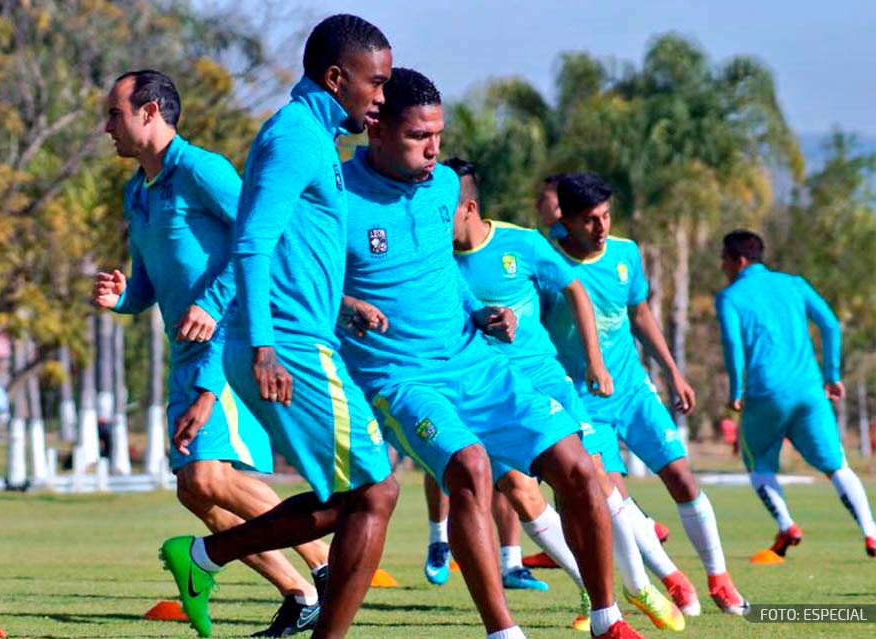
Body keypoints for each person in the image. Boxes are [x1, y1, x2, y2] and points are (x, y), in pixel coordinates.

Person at [338, 67, 644, 639]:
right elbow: (298, 279)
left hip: (475, 360)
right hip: (401, 376)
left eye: (438, 136)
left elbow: (442, 272)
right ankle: (504, 632)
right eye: (417, 137)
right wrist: (342, 307)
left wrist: (479, 309)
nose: (433, 151)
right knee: (472, 468)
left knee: (579, 467)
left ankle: (609, 622)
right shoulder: (335, 195)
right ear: (375, 127)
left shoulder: (444, 188)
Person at [157, 15, 398, 639]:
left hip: (302, 338)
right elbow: (253, 242)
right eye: (376, 82)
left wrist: (342, 306)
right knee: (377, 491)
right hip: (286, 345)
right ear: (337, 77)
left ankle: (204, 557)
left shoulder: (316, 139)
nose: (382, 96)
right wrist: (264, 346)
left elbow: (297, 247)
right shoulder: (296, 136)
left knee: (353, 497)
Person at [96, 68, 330, 637]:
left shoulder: (203, 170)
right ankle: (299, 593)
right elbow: (153, 284)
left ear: (150, 112)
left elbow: (260, 242)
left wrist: (216, 304)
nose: (107, 127)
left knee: (207, 474)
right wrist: (124, 296)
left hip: (227, 343)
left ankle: (329, 566)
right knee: (194, 489)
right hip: (185, 353)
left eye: (114, 114)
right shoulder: (137, 192)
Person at [439, 157, 690, 629]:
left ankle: (639, 587)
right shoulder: (436, 260)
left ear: (467, 207)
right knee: (517, 490)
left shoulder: (522, 243)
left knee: (590, 476)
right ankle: (593, 590)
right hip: (485, 392)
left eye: (441, 209)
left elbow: (575, 288)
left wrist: (595, 361)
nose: (432, 219)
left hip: (545, 382)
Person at [543, 172, 749, 614]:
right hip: (580, 403)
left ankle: (720, 578)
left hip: (634, 390)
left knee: (682, 478)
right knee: (611, 498)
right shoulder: (547, 263)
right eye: (590, 219)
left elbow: (639, 313)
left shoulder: (625, 253)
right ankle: (670, 578)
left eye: (606, 216)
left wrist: (673, 372)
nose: (601, 227)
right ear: (567, 219)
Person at [716, 229, 876, 558]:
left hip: (765, 394)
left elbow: (733, 345)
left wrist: (736, 390)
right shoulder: (794, 284)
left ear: (739, 260)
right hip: (809, 391)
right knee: (837, 466)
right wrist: (831, 374)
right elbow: (830, 324)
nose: (722, 267)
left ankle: (787, 523)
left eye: (724, 260)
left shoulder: (730, 297)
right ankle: (871, 532)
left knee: (759, 464)